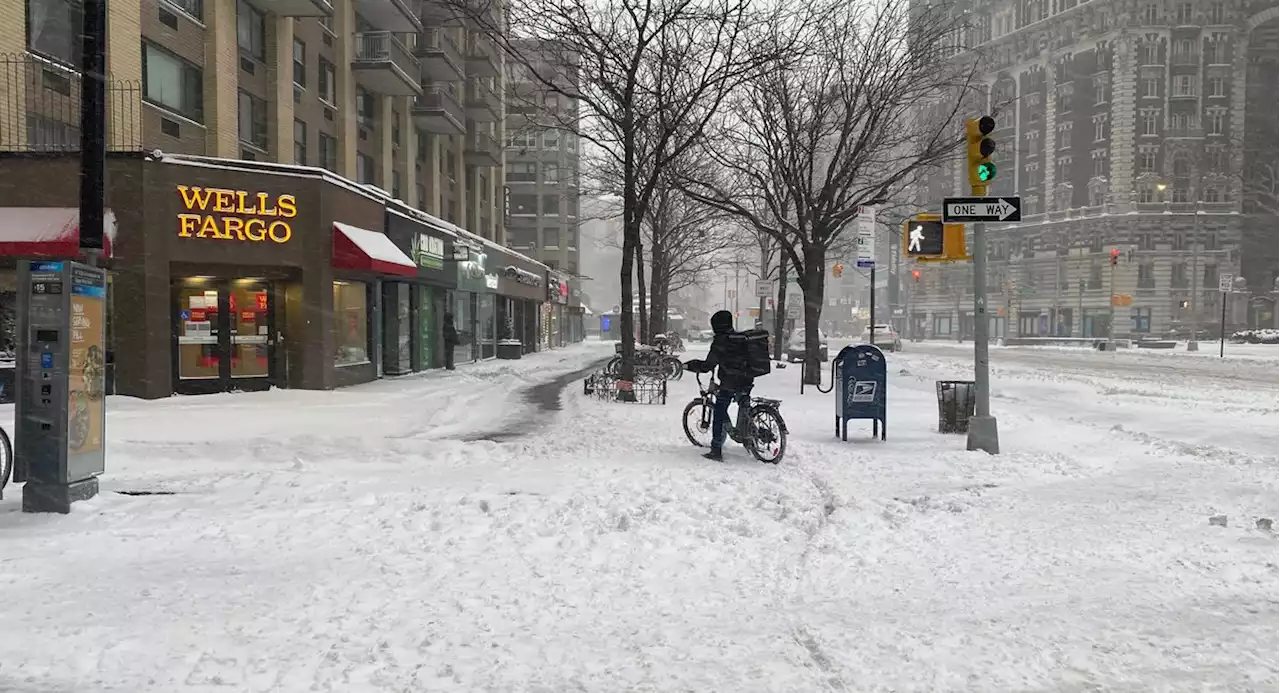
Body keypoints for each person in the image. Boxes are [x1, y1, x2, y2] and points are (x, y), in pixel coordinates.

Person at [684, 310, 755, 461]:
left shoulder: (722, 341)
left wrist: (691, 366)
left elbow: (708, 365)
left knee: (719, 411)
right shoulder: (741, 338)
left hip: (730, 382)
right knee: (744, 404)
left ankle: (716, 449)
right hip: (746, 379)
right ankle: (748, 437)